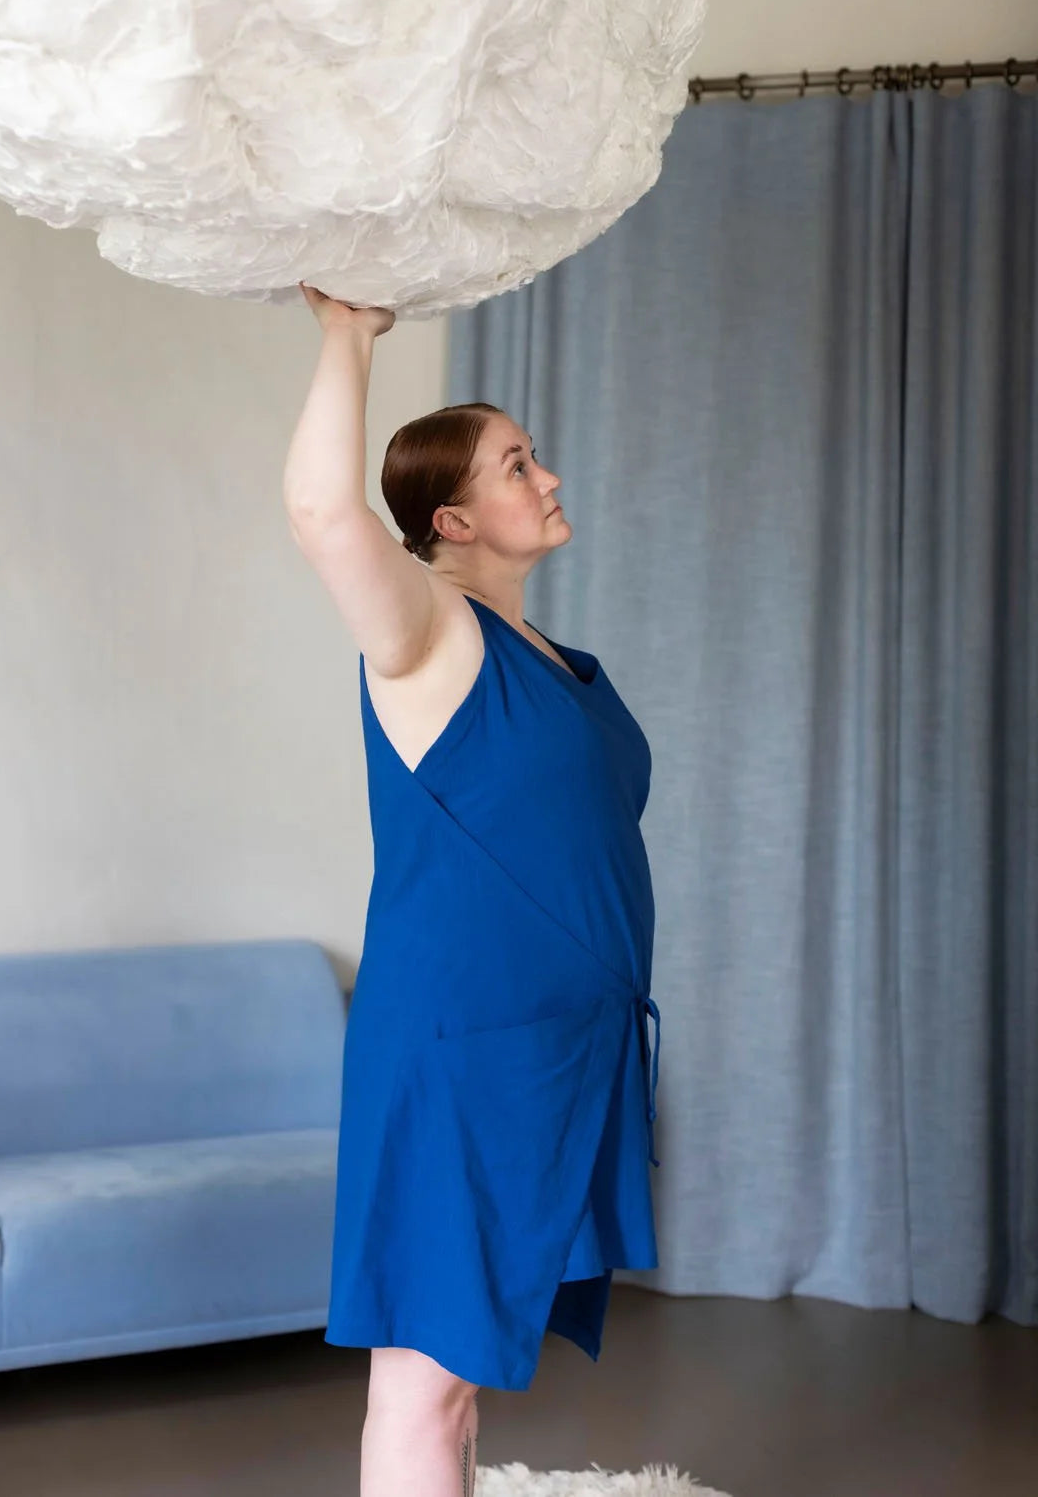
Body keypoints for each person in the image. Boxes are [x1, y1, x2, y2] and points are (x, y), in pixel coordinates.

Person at [282, 285, 662, 1497]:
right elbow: (320, 509)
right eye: (516, 462)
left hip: (550, 1046)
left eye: (534, 456)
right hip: (461, 1049)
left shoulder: (549, 654)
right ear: (452, 517)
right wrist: (349, 335)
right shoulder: (426, 635)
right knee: (423, 1378)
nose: (545, 476)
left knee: (465, 1369)